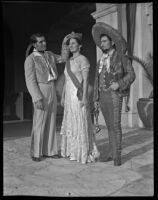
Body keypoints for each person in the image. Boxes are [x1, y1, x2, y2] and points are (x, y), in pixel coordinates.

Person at [92, 22, 136, 166]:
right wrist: (96, 99)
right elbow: (97, 79)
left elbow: (131, 75)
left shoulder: (122, 57)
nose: (102, 44)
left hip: (115, 95)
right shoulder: (100, 61)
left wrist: (119, 84)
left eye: (105, 41)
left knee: (116, 126)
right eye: (101, 42)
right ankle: (111, 153)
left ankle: (117, 157)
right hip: (103, 96)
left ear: (111, 42)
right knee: (109, 126)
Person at [60, 32, 100, 164]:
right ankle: (72, 151)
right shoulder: (68, 61)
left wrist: (85, 98)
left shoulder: (83, 59)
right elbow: (66, 80)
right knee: (71, 122)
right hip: (68, 97)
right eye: (69, 44)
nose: (71, 46)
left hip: (78, 95)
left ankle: (82, 152)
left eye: (73, 43)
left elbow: (86, 81)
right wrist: (63, 95)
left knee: (80, 122)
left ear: (80, 45)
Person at [24, 33, 61, 161]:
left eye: (44, 41)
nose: (43, 43)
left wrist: (67, 44)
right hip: (41, 90)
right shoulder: (31, 59)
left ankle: (50, 151)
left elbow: (62, 58)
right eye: (40, 42)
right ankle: (36, 153)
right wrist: (36, 97)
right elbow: (30, 81)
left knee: (51, 120)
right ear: (34, 44)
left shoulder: (50, 54)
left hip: (52, 87)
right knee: (39, 121)